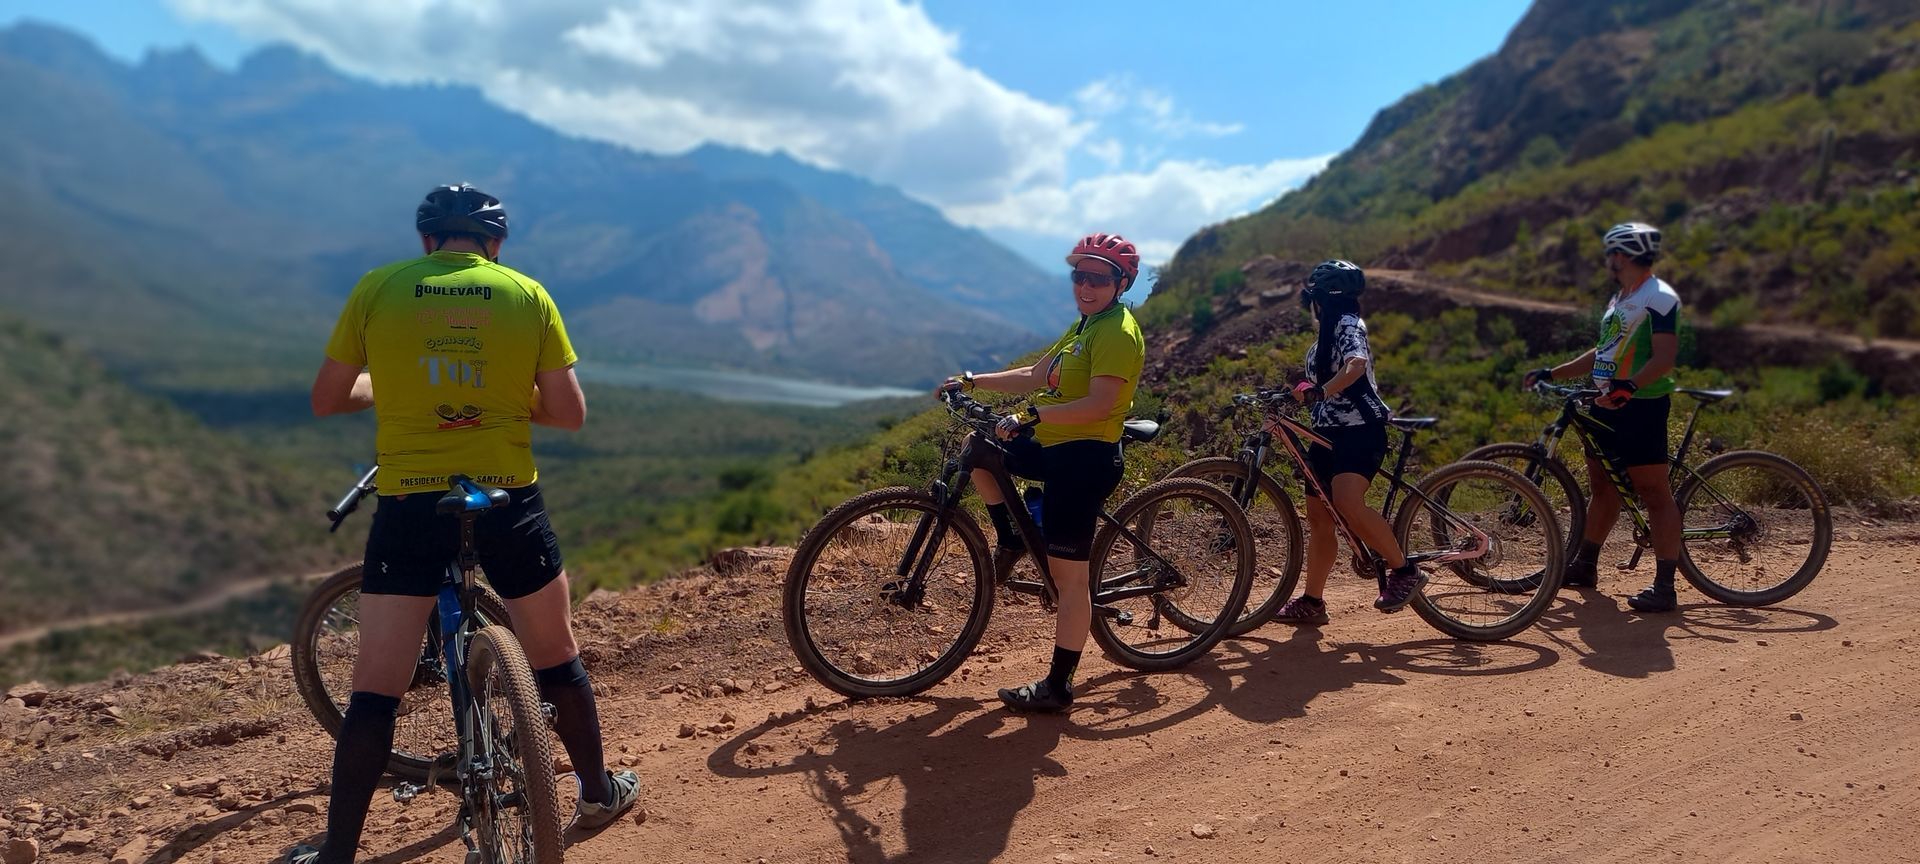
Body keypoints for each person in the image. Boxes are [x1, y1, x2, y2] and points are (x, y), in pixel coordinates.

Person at [290, 184, 638, 864]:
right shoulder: (527, 294)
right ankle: (597, 793)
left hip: (410, 505)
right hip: (509, 500)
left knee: (374, 691)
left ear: (426, 243)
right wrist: (500, 399)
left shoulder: (378, 288)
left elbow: (328, 398)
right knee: (556, 657)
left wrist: (396, 387)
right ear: (495, 246)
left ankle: (337, 852)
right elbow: (569, 413)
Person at [935, 232, 1147, 713]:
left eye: (1098, 278)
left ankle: (1059, 685)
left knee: (1069, 580)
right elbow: (1036, 374)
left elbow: (1099, 404)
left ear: (1121, 282)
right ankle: (1011, 536)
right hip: (1053, 446)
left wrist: (1033, 416)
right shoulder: (1086, 325)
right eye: (1079, 276)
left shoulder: (1116, 331)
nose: (1085, 286)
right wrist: (972, 380)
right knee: (979, 448)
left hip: (1084, 458)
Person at [1523, 221, 1683, 613]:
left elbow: (1664, 359)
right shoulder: (1621, 298)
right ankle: (1585, 565)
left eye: (1611, 253)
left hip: (1640, 404)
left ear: (1623, 255)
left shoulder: (1659, 297)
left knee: (1653, 493)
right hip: (1604, 403)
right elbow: (1602, 352)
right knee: (1603, 485)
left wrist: (1629, 387)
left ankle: (1665, 586)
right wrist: (1553, 372)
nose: (1608, 261)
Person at [1270, 260, 1425, 626]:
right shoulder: (1324, 337)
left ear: (1320, 300)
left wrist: (1321, 390)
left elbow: (1356, 363)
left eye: (1312, 297)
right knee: (1320, 521)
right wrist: (1299, 393)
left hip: (1360, 430)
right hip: (1325, 434)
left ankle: (1404, 570)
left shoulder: (1346, 325)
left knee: (1348, 503)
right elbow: (1328, 382)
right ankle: (1312, 601)